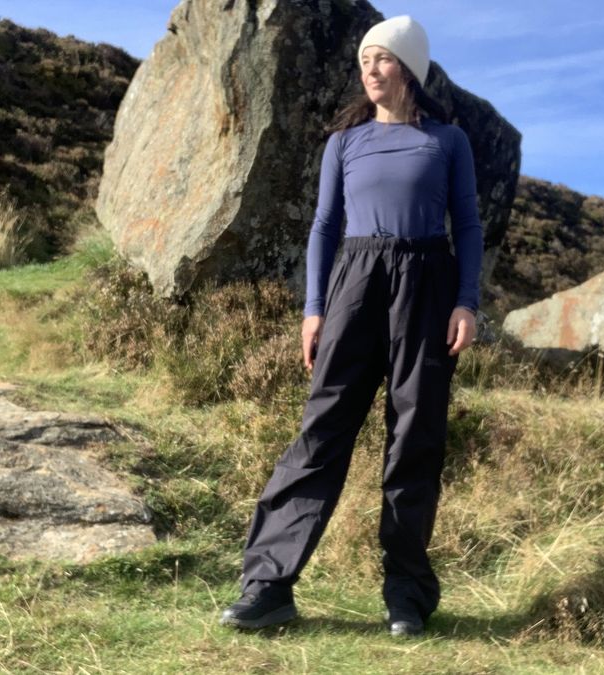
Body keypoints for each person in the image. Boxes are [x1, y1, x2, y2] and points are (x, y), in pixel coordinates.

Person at [219, 14, 482, 637]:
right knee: (323, 428)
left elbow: (467, 226)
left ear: (410, 70)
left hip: (427, 279)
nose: (369, 68)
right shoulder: (345, 143)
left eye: (383, 58)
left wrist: (466, 302)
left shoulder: (448, 141)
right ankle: (269, 586)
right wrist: (314, 308)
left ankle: (407, 598)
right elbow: (324, 228)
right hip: (356, 281)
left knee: (415, 436)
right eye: (364, 58)